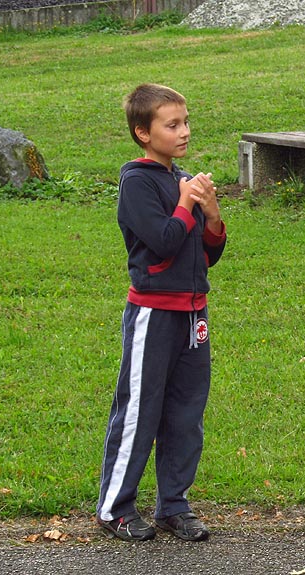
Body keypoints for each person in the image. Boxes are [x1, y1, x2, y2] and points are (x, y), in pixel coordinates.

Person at [96, 83, 227, 542]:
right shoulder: (136, 181)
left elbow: (206, 255)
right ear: (142, 132)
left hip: (194, 314)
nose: (184, 131)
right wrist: (187, 202)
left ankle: (173, 505)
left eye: (186, 121)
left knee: (186, 412)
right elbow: (165, 240)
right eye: (172, 125)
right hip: (154, 314)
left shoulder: (181, 180)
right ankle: (116, 507)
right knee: (140, 410)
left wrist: (211, 215)